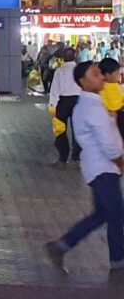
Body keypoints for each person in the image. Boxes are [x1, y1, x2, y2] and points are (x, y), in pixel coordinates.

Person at [45, 61, 124, 273]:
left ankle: (61, 246)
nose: (101, 77)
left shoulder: (92, 104)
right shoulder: (91, 107)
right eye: (96, 74)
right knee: (116, 213)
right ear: (83, 81)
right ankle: (118, 262)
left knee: (102, 214)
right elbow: (107, 142)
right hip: (104, 168)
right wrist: (119, 161)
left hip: (100, 168)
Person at [50, 48, 82, 166]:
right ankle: (77, 157)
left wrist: (52, 105)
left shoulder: (60, 70)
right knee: (78, 130)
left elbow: (54, 90)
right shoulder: (80, 70)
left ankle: (62, 158)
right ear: (75, 56)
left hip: (62, 101)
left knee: (60, 130)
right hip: (78, 101)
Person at [99, 58, 123, 141]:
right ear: (107, 75)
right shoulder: (101, 88)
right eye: (117, 73)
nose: (119, 75)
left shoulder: (116, 85)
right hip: (110, 119)